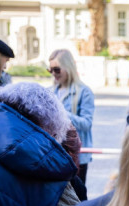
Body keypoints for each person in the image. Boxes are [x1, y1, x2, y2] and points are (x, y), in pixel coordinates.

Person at [49, 49, 95, 190]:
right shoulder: (50, 91)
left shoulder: (84, 92)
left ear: (68, 67)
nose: (53, 74)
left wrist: (62, 113)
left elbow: (86, 124)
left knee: (76, 200)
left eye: (57, 69)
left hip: (77, 157)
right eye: (50, 70)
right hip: (55, 154)